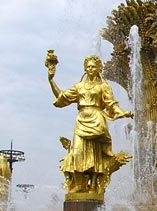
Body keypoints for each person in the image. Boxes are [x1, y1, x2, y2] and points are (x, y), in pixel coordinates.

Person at [47, 54, 133, 193]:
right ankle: (79, 185)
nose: (90, 69)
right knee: (77, 151)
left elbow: (111, 104)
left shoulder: (103, 86)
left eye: (93, 66)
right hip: (81, 120)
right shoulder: (79, 87)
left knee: (96, 153)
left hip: (97, 120)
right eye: (87, 67)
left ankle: (93, 185)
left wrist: (122, 112)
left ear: (99, 68)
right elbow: (61, 96)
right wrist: (51, 79)